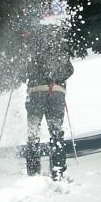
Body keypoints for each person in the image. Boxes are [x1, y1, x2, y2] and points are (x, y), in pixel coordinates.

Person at [18, 22, 73, 178]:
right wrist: (57, 80)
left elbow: (23, 71)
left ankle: (33, 171)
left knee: (33, 132)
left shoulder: (31, 48)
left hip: (36, 92)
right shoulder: (59, 48)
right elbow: (70, 69)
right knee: (56, 132)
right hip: (57, 92)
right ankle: (57, 169)